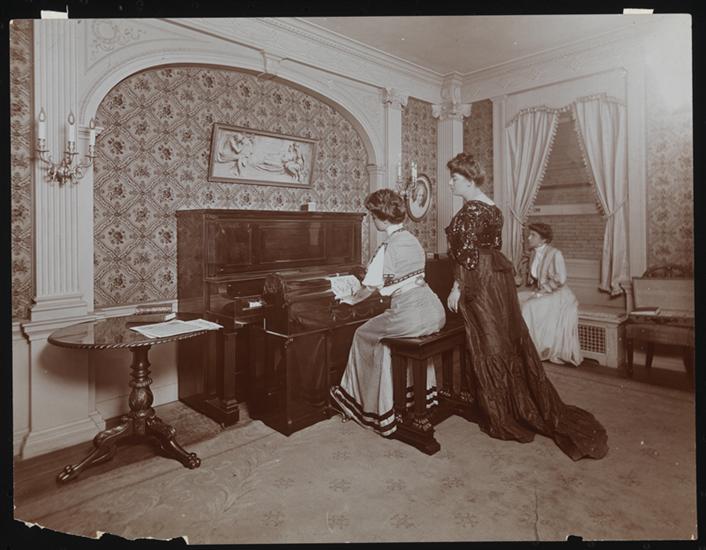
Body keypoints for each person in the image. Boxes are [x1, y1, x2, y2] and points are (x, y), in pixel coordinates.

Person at [444, 152, 607, 460]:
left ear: (469, 180)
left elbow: (466, 255)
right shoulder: (493, 208)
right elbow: (491, 248)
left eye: (454, 178)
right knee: (501, 338)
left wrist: (456, 288)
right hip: (497, 277)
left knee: (488, 340)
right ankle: (506, 401)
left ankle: (500, 409)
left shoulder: (471, 211)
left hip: (478, 279)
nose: (450, 183)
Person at [330, 189, 446, 436]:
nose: (373, 220)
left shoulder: (387, 247)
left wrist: (348, 299)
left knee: (362, 335)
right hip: (434, 310)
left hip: (410, 315)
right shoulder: (412, 240)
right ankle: (404, 397)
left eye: (373, 216)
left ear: (382, 218)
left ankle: (357, 403)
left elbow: (367, 290)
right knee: (383, 339)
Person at [516, 223, 583, 366]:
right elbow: (534, 277)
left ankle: (530, 350)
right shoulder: (533, 254)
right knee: (516, 299)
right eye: (530, 234)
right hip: (541, 291)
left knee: (528, 307)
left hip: (558, 294)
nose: (529, 238)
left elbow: (561, 279)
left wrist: (542, 292)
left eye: (533, 235)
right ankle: (522, 347)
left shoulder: (555, 254)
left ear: (543, 240)